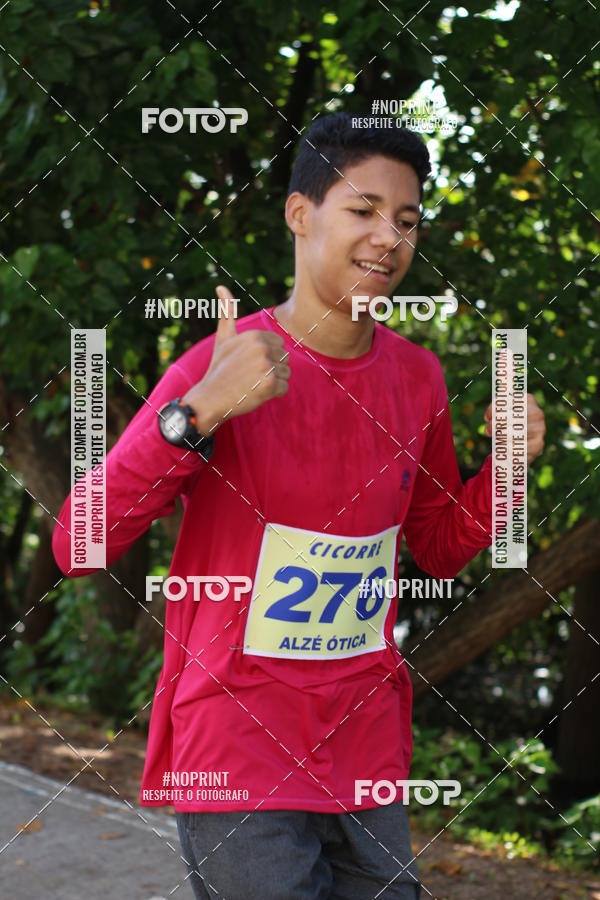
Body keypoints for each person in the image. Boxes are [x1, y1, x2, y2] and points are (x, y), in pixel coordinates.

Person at [52, 111, 545, 899]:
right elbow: (77, 543)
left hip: (363, 746)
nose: (390, 237)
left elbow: (441, 546)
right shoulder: (222, 366)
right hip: (236, 745)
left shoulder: (418, 377)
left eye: (407, 221)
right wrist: (199, 413)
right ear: (299, 214)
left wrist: (508, 471)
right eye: (364, 210)